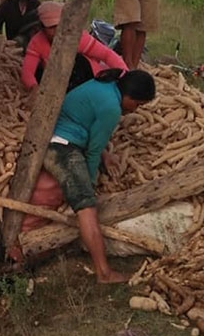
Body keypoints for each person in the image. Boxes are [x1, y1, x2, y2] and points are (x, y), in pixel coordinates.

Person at [42, 69, 156, 284]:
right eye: (138, 105)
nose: (135, 110)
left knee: (86, 198)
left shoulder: (106, 86)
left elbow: (85, 123)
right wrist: (91, 184)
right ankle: (104, 273)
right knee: (87, 206)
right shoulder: (112, 107)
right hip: (61, 149)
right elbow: (92, 152)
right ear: (129, 96)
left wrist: (105, 154)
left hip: (63, 138)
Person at [21, 1, 128, 94]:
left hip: (86, 78)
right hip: (56, 80)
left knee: (78, 60)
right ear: (41, 27)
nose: (57, 31)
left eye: (60, 25)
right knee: (40, 73)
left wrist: (125, 76)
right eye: (51, 27)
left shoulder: (77, 37)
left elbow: (107, 54)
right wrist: (33, 88)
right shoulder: (37, 42)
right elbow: (28, 71)